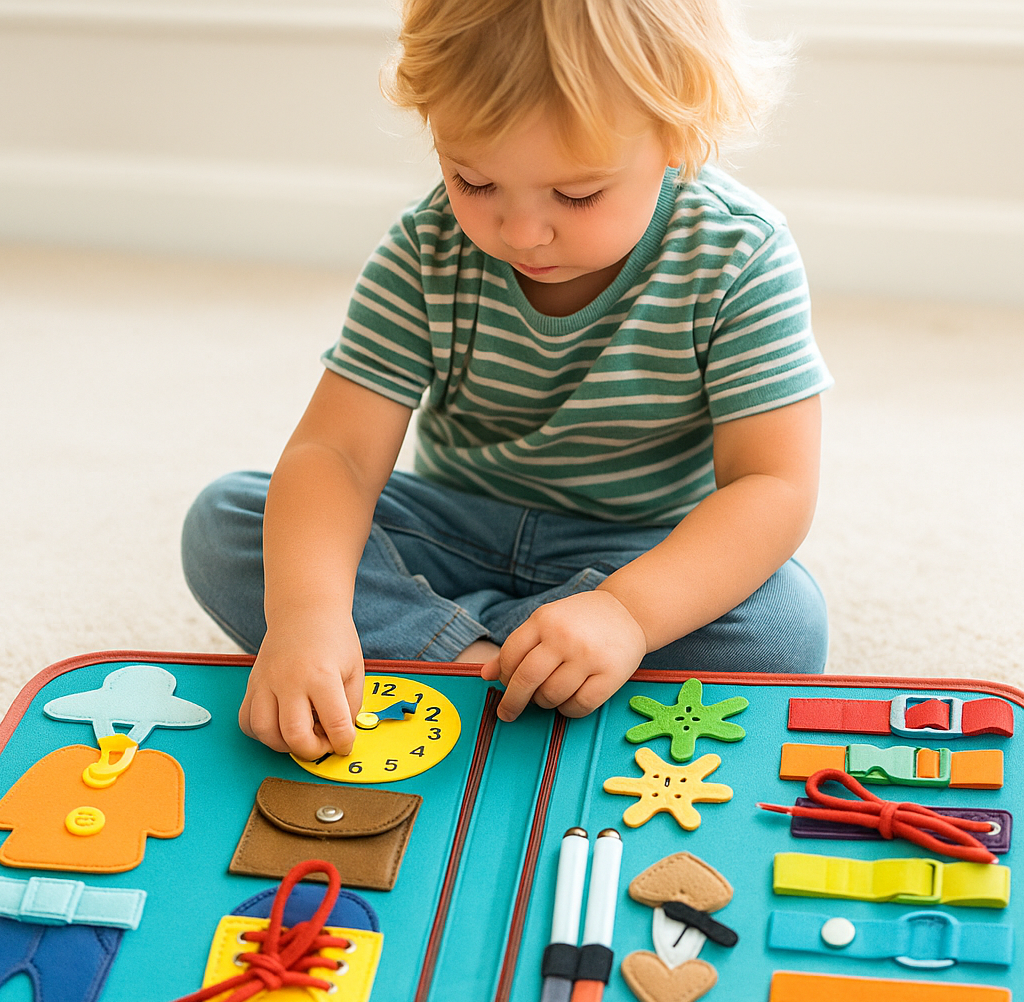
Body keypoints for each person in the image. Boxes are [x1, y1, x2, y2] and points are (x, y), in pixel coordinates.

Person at [182, 0, 832, 762]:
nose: (521, 233)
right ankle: (493, 661)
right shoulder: (425, 250)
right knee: (229, 519)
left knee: (784, 624)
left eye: (577, 194)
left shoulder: (739, 255)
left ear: (680, 136)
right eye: (473, 181)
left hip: (633, 547)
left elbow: (771, 485)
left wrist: (626, 614)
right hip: (454, 528)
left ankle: (458, 648)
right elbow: (339, 456)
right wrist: (307, 617)